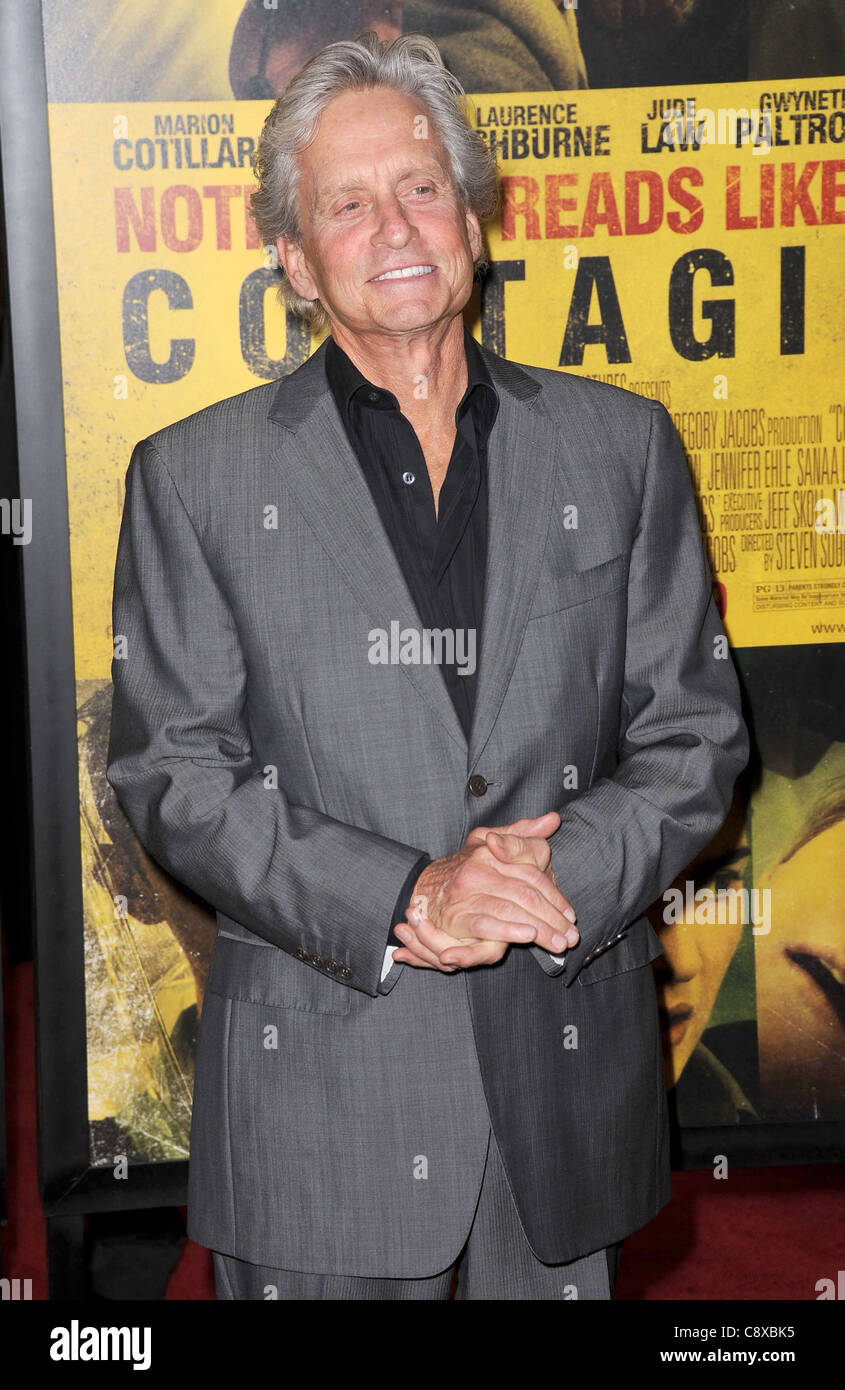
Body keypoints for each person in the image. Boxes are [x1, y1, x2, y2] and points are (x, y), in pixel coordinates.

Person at [106, 30, 749, 1300]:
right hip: (317, 1109)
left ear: (471, 221)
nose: (394, 224)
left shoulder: (618, 448)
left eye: (419, 187)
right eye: (345, 203)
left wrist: (541, 879)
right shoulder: (195, 480)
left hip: (555, 1092)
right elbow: (175, 773)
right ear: (293, 259)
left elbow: (696, 735)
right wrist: (408, 895)